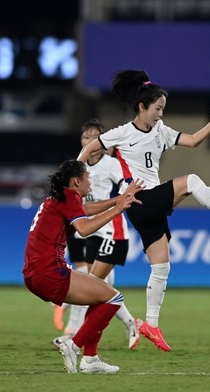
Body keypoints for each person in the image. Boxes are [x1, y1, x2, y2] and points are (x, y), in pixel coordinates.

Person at [77, 70, 210, 352]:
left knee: (161, 266)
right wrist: (75, 175)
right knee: (191, 182)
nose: (161, 114)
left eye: (163, 109)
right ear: (142, 107)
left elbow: (194, 140)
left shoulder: (161, 131)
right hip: (140, 198)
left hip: (147, 206)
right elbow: (91, 146)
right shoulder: (122, 133)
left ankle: (150, 324)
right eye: (157, 109)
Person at [23, 159, 143, 374]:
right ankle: (75, 345)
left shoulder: (61, 197)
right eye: (88, 177)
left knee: (102, 296)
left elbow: (86, 209)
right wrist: (118, 208)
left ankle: (90, 360)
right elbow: (84, 228)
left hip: (36, 273)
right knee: (114, 298)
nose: (91, 182)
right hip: (49, 271)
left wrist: (120, 198)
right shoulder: (69, 196)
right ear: (76, 181)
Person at [53, 119, 141, 350]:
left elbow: (127, 184)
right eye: (85, 137)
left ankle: (76, 336)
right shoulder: (78, 166)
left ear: (103, 143)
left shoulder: (111, 164)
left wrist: (123, 196)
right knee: (94, 287)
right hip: (84, 230)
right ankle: (129, 324)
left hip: (110, 231)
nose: (90, 141)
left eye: (95, 137)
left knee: (91, 287)